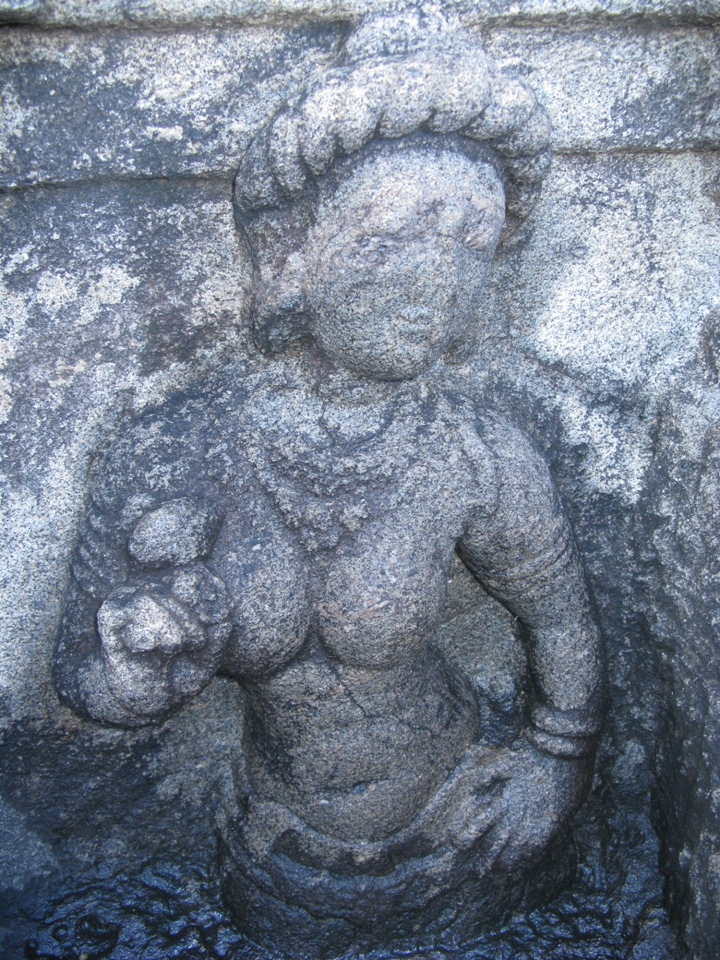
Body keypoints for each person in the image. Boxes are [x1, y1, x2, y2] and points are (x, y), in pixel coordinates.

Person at [53, 8, 603, 956]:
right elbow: (82, 680)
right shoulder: (176, 449)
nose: (435, 283)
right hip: (272, 846)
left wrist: (558, 765)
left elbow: (562, 619)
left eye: (471, 246)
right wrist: (141, 675)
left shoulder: (472, 451)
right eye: (393, 235)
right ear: (292, 254)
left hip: (464, 828)